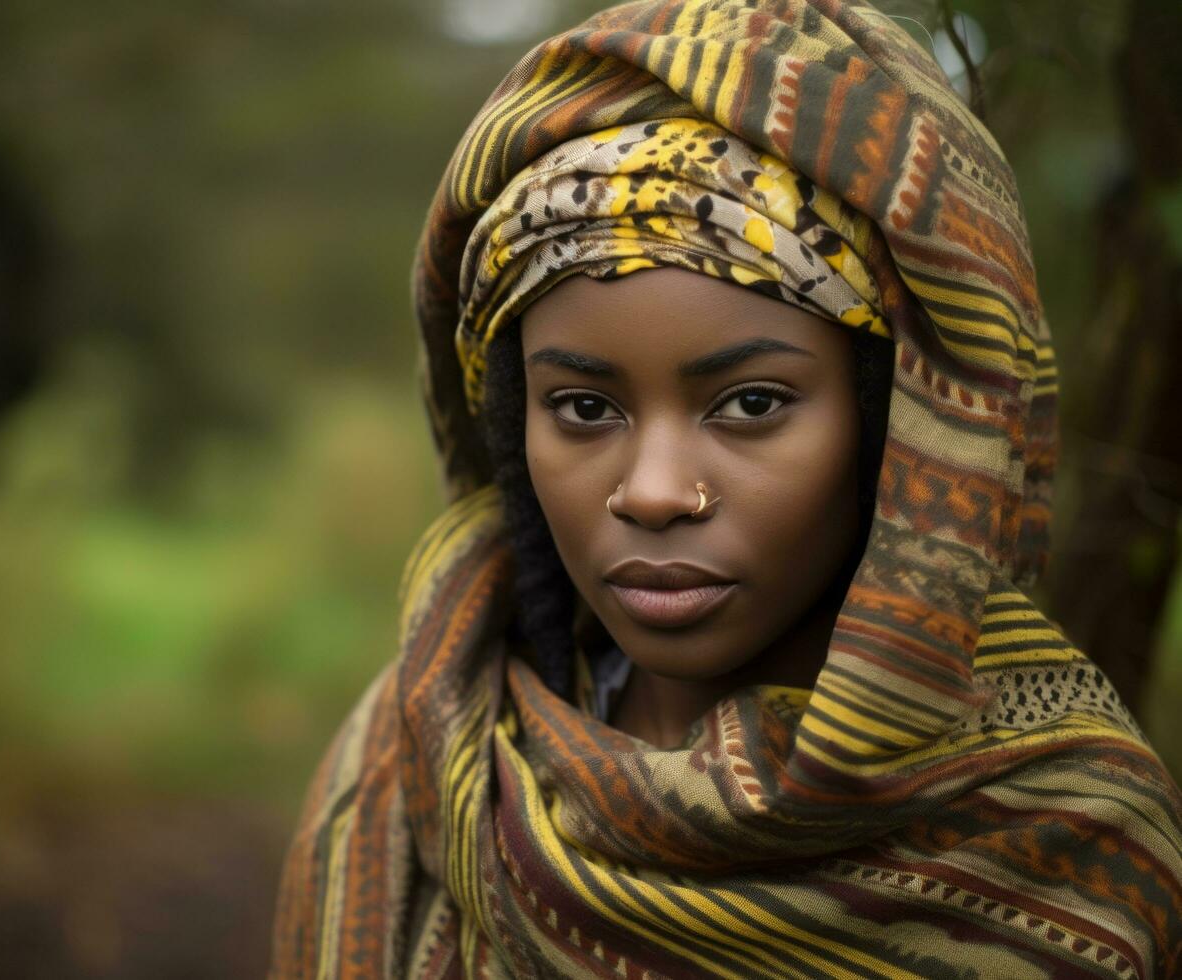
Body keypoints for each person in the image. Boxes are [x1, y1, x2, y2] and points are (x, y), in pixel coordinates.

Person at [271, 1, 1182, 976]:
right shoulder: (408, 751)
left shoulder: (1066, 835)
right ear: (508, 422)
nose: (655, 493)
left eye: (749, 402)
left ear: (896, 431)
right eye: (581, 408)